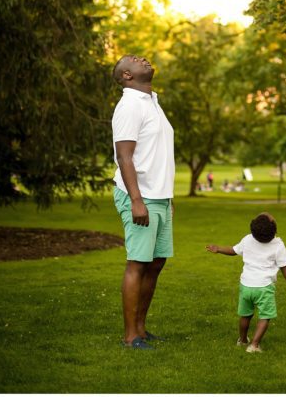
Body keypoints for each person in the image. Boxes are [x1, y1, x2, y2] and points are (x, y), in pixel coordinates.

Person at [110, 54, 175, 350]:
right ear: (126, 75)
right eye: (135, 60)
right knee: (138, 263)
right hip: (140, 196)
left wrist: (167, 198)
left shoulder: (151, 102)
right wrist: (137, 200)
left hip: (159, 197)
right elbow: (125, 156)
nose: (144, 59)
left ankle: (141, 329)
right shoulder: (130, 105)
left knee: (156, 262)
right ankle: (130, 336)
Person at [206, 212, 286, 353]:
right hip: (264, 287)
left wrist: (219, 249)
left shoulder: (248, 239)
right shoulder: (278, 244)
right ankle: (254, 345)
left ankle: (243, 340)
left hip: (246, 285)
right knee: (265, 316)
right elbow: (284, 267)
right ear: (274, 230)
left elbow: (234, 250)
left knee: (245, 315)